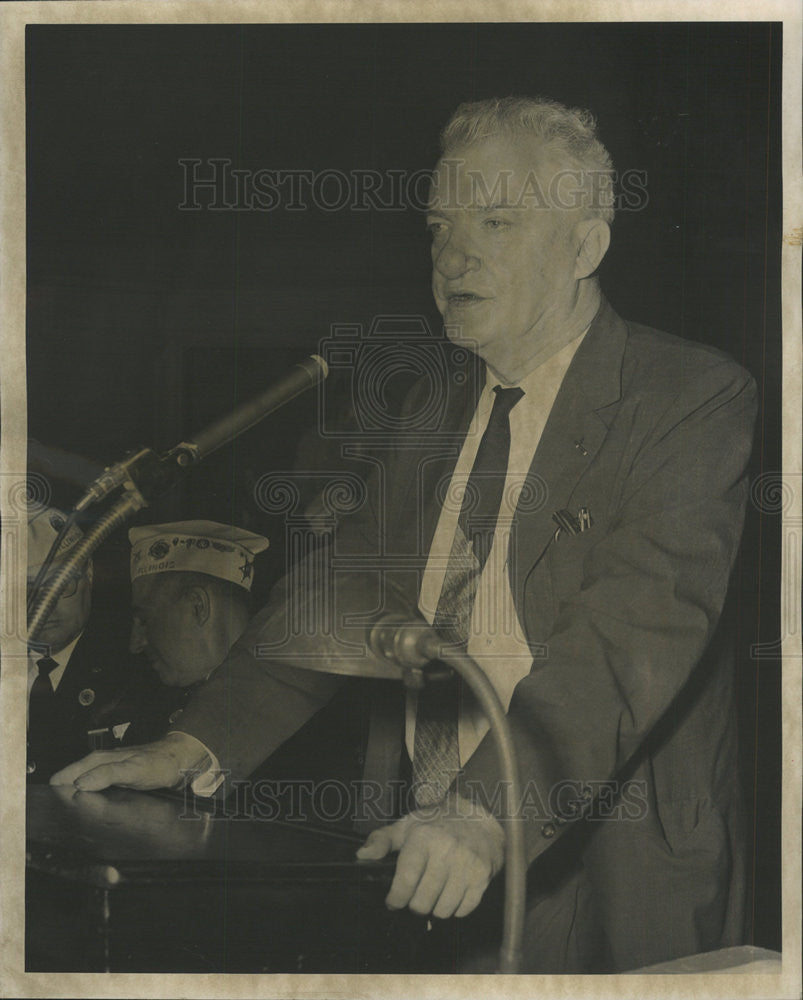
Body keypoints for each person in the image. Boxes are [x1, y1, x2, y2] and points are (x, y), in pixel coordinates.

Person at [52, 96, 757, 972]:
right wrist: (193, 744)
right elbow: (337, 597)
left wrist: (482, 812)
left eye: (494, 222)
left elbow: (624, 643)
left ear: (583, 247)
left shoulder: (688, 397)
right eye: (437, 227)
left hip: (602, 866)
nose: (452, 257)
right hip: (414, 848)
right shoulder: (432, 407)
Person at [26, 505, 165, 780]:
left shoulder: (135, 664)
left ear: (88, 573)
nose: (45, 605)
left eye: (60, 584)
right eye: (27, 589)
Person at [119, 520, 269, 744]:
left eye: (144, 620)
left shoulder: (276, 710)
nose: (135, 644)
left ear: (198, 606)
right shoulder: (153, 713)